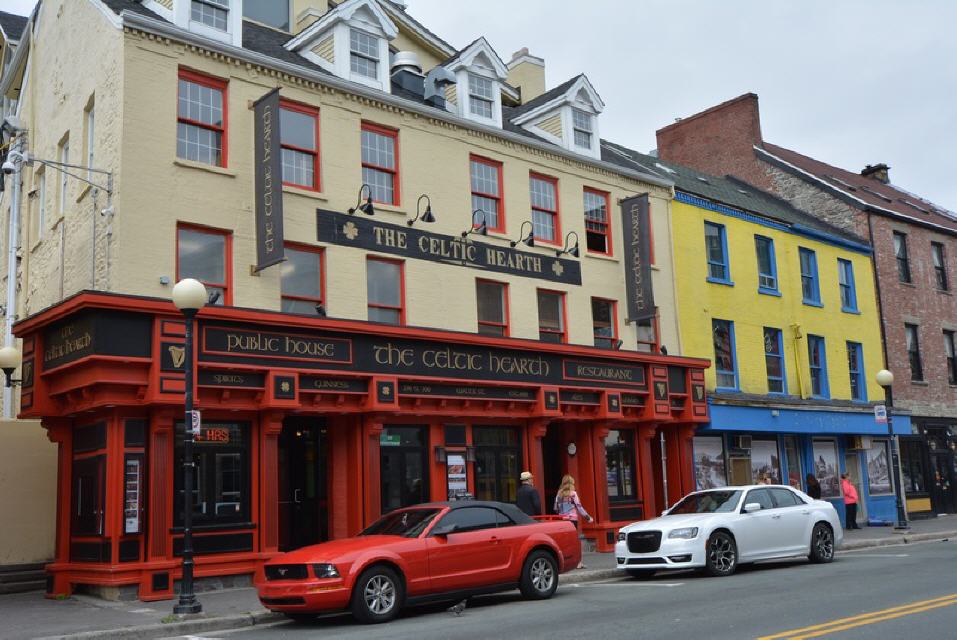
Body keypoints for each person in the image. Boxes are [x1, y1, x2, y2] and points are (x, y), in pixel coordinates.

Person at [554, 474, 594, 569]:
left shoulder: (559, 494)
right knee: (575, 542)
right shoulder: (573, 494)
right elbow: (579, 507)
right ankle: (578, 563)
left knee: (563, 542)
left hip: (562, 520)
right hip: (572, 520)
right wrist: (588, 518)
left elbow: (555, 508)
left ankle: (563, 562)